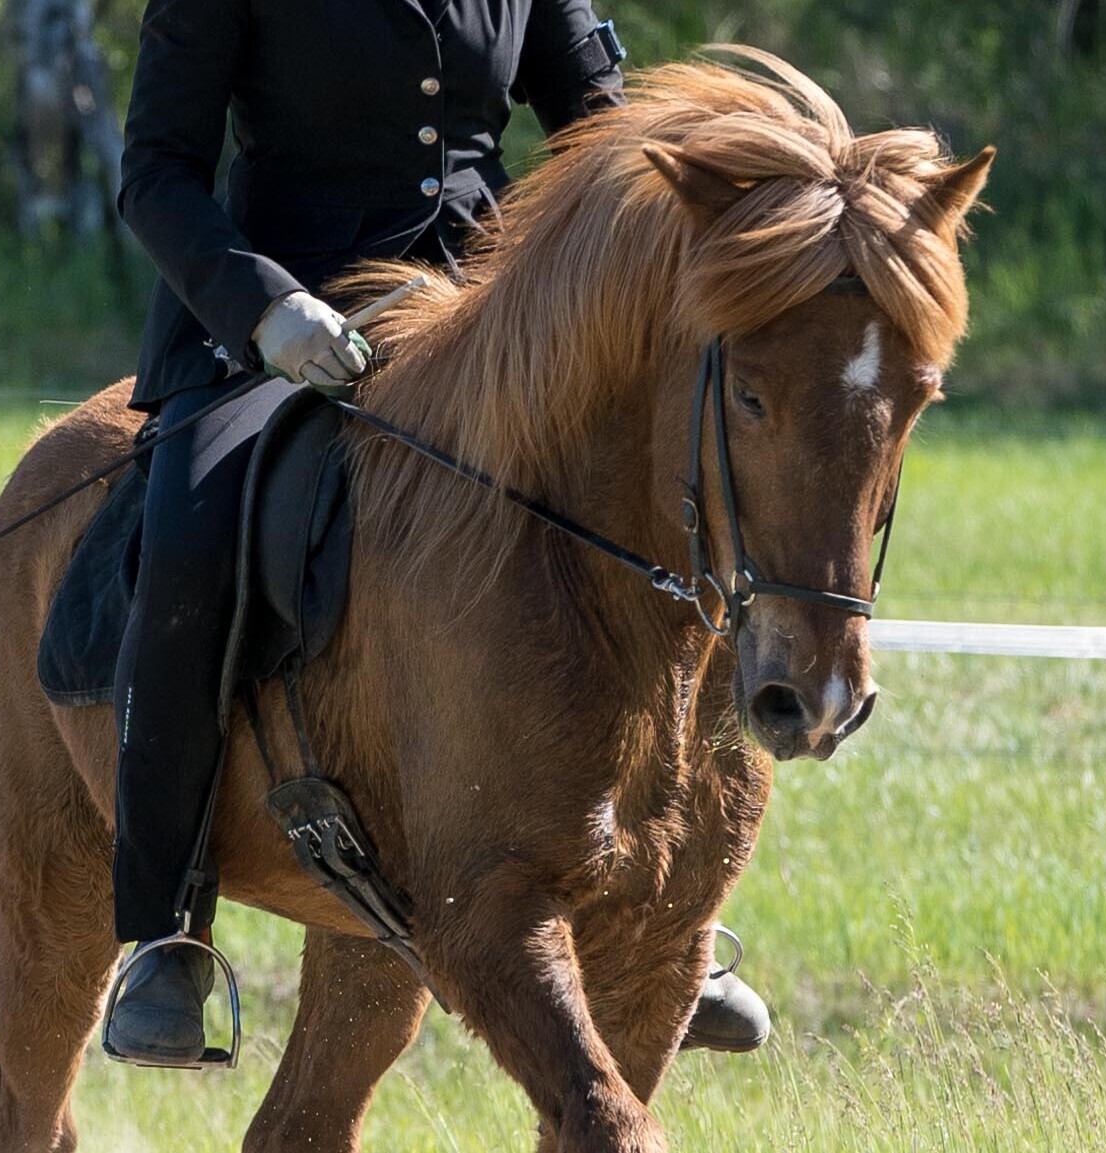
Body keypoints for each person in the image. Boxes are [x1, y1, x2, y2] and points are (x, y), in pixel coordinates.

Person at [103, 0, 774, 1064]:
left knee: (676, 509)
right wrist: (265, 308)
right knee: (191, 540)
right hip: (283, 326)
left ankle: (669, 914)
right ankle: (167, 928)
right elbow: (155, 174)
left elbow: (605, 133)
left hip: (486, 312)